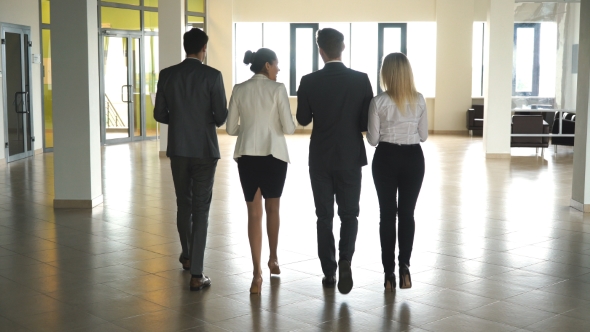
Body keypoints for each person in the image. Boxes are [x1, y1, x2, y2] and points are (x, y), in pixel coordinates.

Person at [296, 28, 373, 294]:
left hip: (320, 157)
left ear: (321, 51)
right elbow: (366, 123)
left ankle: (329, 271)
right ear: (343, 48)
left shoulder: (308, 81)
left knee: (324, 216)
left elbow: (303, 119)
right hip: (351, 155)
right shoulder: (361, 80)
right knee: (350, 214)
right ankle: (346, 261)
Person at [153, 28, 228, 291]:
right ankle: (197, 273)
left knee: (183, 203)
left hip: (179, 149)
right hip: (205, 151)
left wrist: (181, 120)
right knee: (201, 208)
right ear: (203, 49)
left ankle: (186, 255)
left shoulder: (167, 75)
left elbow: (159, 113)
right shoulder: (213, 76)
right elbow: (221, 116)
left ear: (186, 47)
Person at [227, 48, 296, 294]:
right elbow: (289, 127)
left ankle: (256, 275)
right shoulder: (277, 89)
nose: (278, 70)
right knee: (273, 208)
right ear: (267, 65)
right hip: (273, 155)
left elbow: (230, 128)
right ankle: (273, 258)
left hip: (247, 156)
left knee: (253, 214)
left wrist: (248, 129)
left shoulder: (239, 89)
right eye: (276, 65)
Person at [366, 53, 427, 290]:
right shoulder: (420, 100)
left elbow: (372, 140)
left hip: (386, 158)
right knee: (408, 214)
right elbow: (423, 136)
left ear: (386, 74)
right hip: (413, 158)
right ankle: (405, 268)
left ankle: (388, 273)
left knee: (387, 214)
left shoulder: (377, 102)